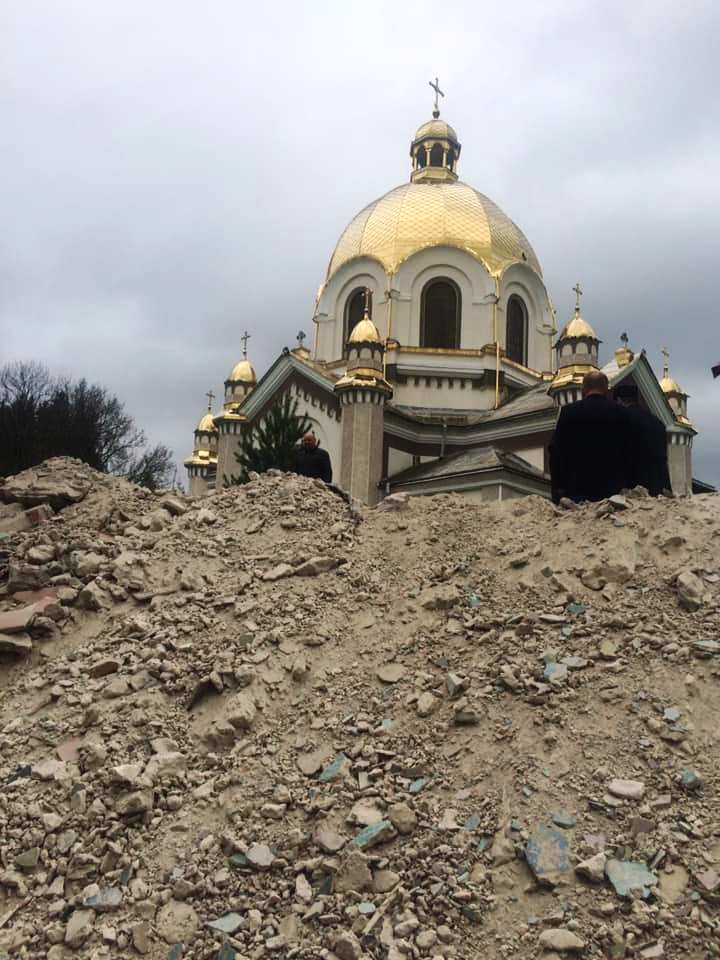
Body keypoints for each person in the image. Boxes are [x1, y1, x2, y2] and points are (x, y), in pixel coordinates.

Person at [549, 370, 633, 504]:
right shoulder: (622, 413)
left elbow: (556, 452)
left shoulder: (568, 412)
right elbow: (631, 451)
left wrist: (558, 490)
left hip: (577, 491)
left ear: (583, 389)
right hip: (613, 493)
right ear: (606, 390)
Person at [614, 383, 671, 496]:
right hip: (658, 484)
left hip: (633, 485)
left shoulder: (621, 419)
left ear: (619, 400)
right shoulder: (657, 422)